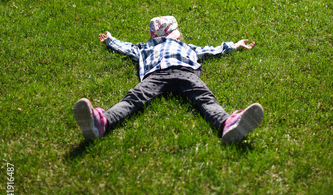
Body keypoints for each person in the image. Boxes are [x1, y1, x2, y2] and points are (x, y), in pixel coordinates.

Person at [73, 16, 263, 144]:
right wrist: (110, 41)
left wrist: (234, 46)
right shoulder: (179, 47)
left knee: (133, 99)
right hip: (182, 74)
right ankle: (226, 123)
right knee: (205, 99)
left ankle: (102, 122)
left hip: (159, 75)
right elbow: (210, 50)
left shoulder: (145, 47)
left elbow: (126, 48)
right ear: (176, 34)